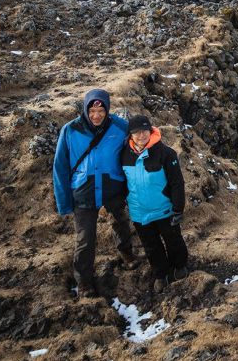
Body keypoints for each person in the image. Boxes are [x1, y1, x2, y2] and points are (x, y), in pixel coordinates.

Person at [52, 89, 136, 298]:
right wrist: (64, 202)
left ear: (107, 109)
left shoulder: (120, 127)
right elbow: (60, 167)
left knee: (122, 223)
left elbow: (136, 148)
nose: (96, 115)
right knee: (85, 239)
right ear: (85, 109)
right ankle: (84, 282)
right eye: (92, 110)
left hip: (113, 187)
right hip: (84, 191)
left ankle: (127, 255)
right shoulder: (70, 130)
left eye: (101, 110)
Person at [121, 114, 188, 291]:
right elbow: (121, 183)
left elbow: (177, 183)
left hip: (165, 209)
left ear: (151, 131)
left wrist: (178, 208)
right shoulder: (123, 155)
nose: (141, 135)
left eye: (145, 131)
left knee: (173, 240)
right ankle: (161, 274)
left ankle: (180, 266)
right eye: (136, 132)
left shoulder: (166, 153)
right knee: (151, 247)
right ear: (130, 135)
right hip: (139, 212)